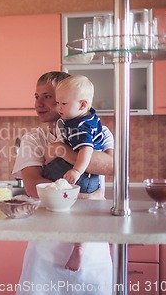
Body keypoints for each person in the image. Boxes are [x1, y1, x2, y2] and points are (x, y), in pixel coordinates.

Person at [12, 71, 114, 295]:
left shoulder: (99, 130)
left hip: (92, 249)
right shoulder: (33, 139)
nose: (38, 103)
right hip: (46, 250)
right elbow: (32, 186)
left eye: (47, 96)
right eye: (36, 96)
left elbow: (113, 166)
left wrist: (64, 153)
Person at [44, 74, 105, 272]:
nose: (58, 107)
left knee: (52, 171)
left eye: (62, 103)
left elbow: (86, 150)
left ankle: (79, 246)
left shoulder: (80, 127)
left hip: (85, 178)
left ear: (82, 105)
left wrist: (76, 170)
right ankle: (79, 245)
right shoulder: (87, 117)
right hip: (90, 180)